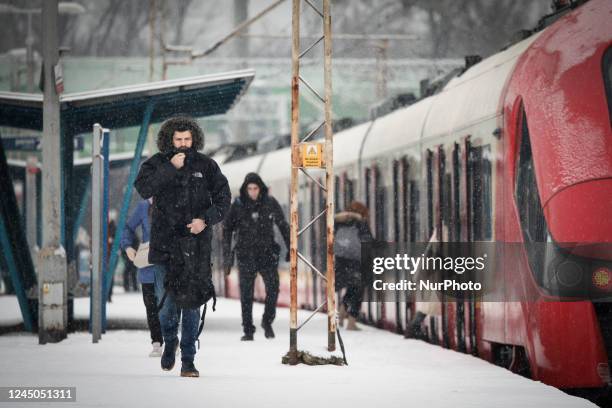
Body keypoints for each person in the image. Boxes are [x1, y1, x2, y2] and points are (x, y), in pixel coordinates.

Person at [134, 116, 231, 378]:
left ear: (194, 139)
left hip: (196, 247)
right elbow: (143, 189)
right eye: (178, 140)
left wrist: (205, 220)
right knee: (166, 306)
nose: (184, 144)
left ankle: (188, 359)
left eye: (187, 139)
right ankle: (169, 341)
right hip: (165, 245)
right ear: (169, 140)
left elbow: (224, 199)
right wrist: (169, 169)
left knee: (191, 304)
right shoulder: (155, 164)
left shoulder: (207, 165)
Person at [223, 173, 290, 341]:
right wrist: (227, 254)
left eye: (255, 188)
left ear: (261, 189)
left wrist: (291, 248)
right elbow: (227, 229)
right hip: (245, 255)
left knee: (273, 289)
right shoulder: (238, 205)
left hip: (267, 254)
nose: (252, 192)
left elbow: (283, 225)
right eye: (250, 189)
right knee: (246, 293)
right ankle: (248, 329)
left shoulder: (270, 203)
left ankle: (267, 321)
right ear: (245, 190)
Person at [120, 198, 163, 357]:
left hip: (170, 265)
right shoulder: (144, 207)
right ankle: (157, 342)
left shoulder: (175, 200)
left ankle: (172, 339)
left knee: (169, 306)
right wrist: (127, 246)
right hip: (148, 265)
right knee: (151, 306)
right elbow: (128, 228)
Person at [334, 201, 373, 330]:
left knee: (351, 288)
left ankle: (341, 314)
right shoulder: (361, 223)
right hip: (357, 262)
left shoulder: (338, 221)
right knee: (358, 290)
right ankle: (351, 322)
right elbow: (367, 243)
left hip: (341, 261)